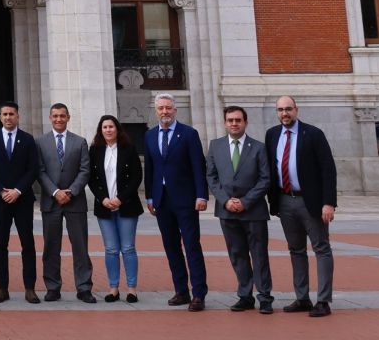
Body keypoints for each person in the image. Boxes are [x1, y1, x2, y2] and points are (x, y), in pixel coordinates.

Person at [265, 95, 337, 317]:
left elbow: (328, 169)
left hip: (311, 202)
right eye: (280, 110)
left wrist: (328, 203)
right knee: (296, 250)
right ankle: (302, 298)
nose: (284, 113)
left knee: (321, 248)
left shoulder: (313, 134)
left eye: (288, 109)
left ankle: (323, 301)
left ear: (296, 110)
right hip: (285, 200)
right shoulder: (272, 135)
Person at [143, 92, 209, 311]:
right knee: (171, 247)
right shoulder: (150, 135)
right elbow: (150, 168)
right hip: (161, 201)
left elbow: (198, 167)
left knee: (191, 246)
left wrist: (202, 195)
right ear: (156, 110)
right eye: (161, 108)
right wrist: (150, 197)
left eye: (168, 108)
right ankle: (181, 290)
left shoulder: (188, 134)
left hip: (186, 200)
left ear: (175, 110)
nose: (165, 112)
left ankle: (198, 293)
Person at [206, 104, 274, 314]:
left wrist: (245, 201)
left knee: (259, 254)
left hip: (253, 211)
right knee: (237, 254)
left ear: (245, 122)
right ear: (225, 123)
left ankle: (264, 297)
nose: (234, 124)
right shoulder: (215, 146)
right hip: (226, 210)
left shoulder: (259, 147)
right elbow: (211, 176)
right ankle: (245, 295)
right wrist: (226, 200)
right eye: (230, 120)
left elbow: (265, 179)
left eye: (238, 120)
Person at [36, 101, 95, 303]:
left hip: (75, 202)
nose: (59, 119)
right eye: (55, 116)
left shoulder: (80, 142)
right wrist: (55, 192)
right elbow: (40, 171)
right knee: (51, 247)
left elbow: (85, 170)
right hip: (51, 202)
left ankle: (84, 287)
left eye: (62, 115)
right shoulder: (40, 143)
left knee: (80, 247)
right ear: (50, 118)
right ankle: (53, 287)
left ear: (68, 117)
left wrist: (71, 191)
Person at [0, 100, 40, 304]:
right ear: (0, 117)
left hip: (22, 198)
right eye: (5, 114)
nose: (8, 118)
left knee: (28, 244)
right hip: (0, 200)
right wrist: (1, 191)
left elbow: (32, 169)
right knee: (1, 244)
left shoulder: (27, 139)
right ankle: (2, 288)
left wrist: (17, 190)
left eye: (12, 114)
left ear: (18, 116)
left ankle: (30, 288)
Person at [86, 113, 143, 302]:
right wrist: (103, 198)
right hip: (104, 206)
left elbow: (136, 177)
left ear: (117, 129)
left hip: (126, 206)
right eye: (105, 127)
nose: (108, 130)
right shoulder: (94, 150)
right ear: (100, 131)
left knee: (128, 248)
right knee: (110, 249)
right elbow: (91, 179)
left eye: (111, 127)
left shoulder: (128, 149)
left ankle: (132, 288)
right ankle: (113, 288)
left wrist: (120, 198)